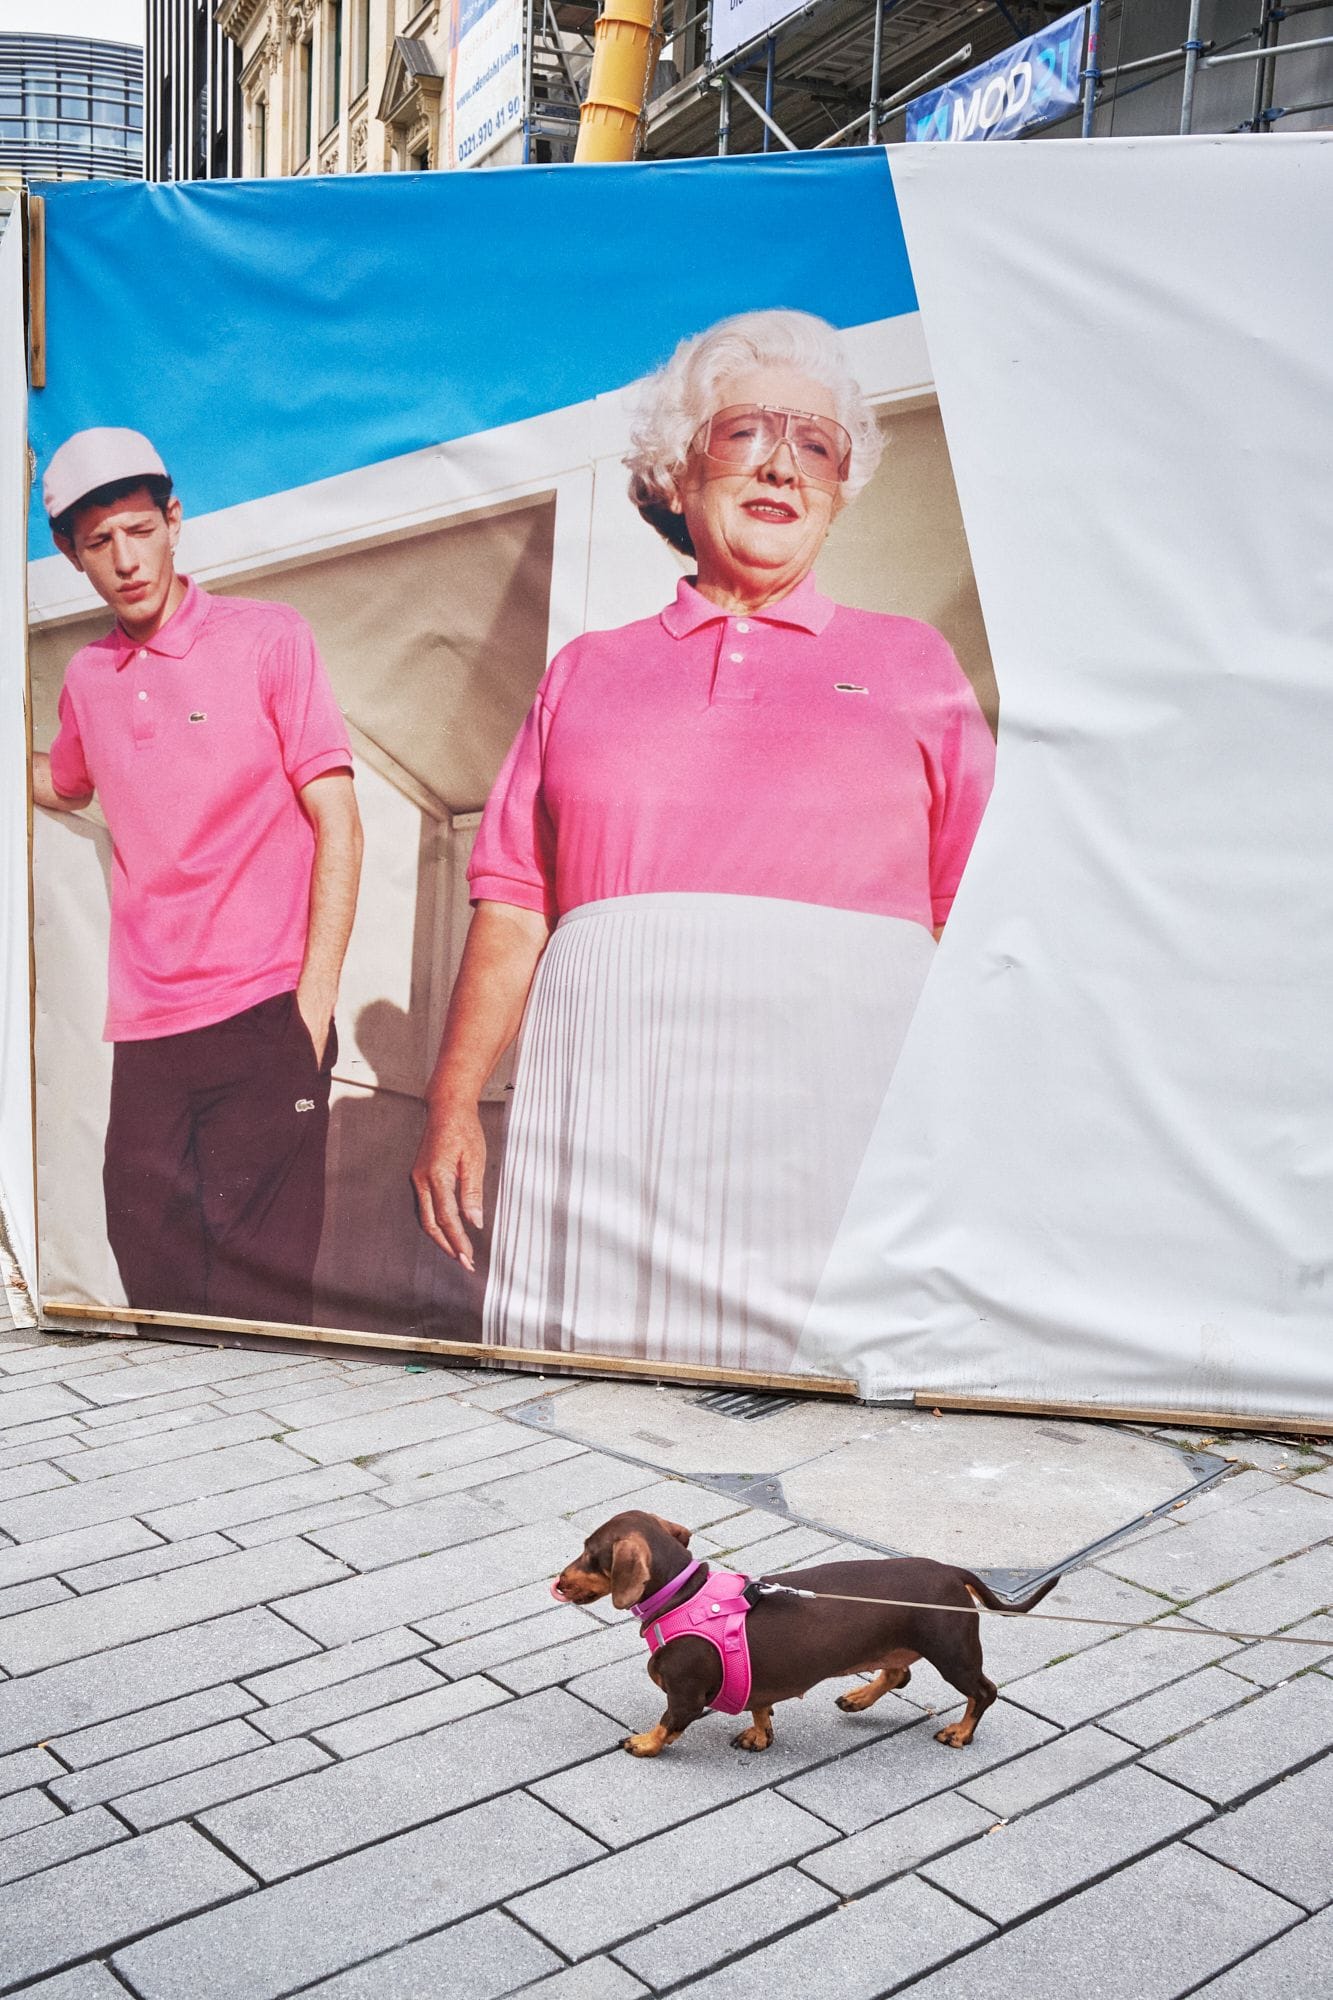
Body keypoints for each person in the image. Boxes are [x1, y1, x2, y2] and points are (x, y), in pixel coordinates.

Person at [412, 310, 994, 1373]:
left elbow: (979, 918)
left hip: (843, 1110)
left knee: (826, 1413)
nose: (781, 463)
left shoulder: (914, 662)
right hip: (610, 1108)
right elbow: (514, 906)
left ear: (838, 488)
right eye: (745, 432)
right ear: (678, 472)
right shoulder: (583, 671)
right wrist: (451, 1102)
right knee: (592, 1408)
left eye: (815, 444)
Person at [33, 427, 363, 1327]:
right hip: (147, 1031)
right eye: (99, 543)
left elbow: (338, 821)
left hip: (266, 1013)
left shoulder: (270, 637)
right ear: (70, 554)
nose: (126, 560)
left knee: (263, 1304)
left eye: (141, 531)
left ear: (174, 521)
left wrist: (311, 1012)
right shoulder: (86, 677)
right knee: (154, 1282)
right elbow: (66, 782)